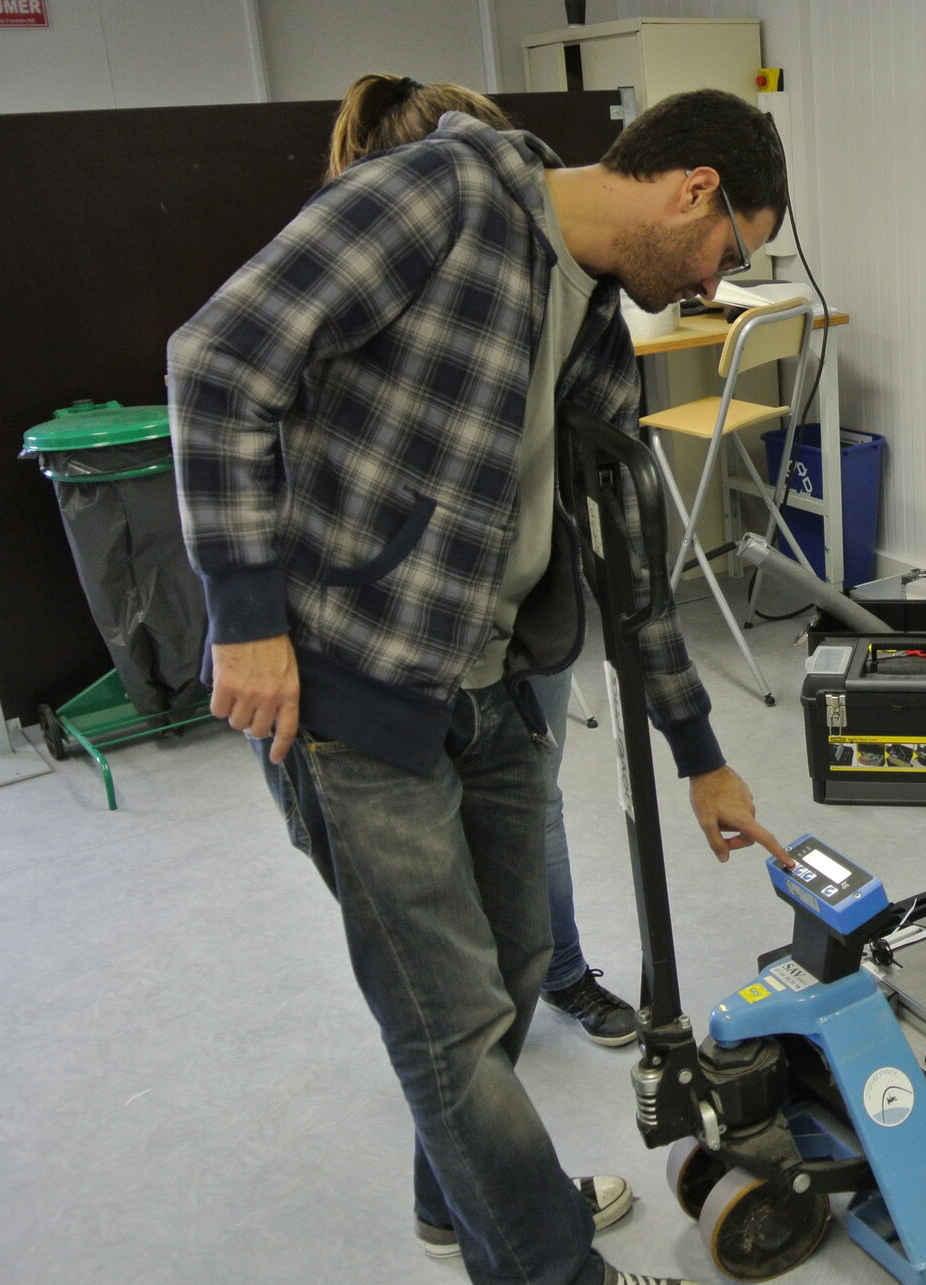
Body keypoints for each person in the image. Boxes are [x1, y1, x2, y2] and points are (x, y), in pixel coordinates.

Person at [168, 85, 792, 1285]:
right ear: (693, 189)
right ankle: (552, 1268)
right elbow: (217, 360)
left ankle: (460, 1203)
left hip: (494, 683)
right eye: (729, 248)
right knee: (448, 1024)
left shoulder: (596, 322)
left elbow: (632, 565)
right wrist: (245, 618)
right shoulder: (442, 199)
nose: (718, 282)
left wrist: (701, 752)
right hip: (347, 692)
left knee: (503, 983)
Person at [325, 73, 638, 1049]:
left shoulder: (552, 286)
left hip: (511, 614)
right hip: (379, 635)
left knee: (526, 804)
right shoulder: (375, 276)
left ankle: (559, 972)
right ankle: (464, 1034)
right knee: (419, 884)